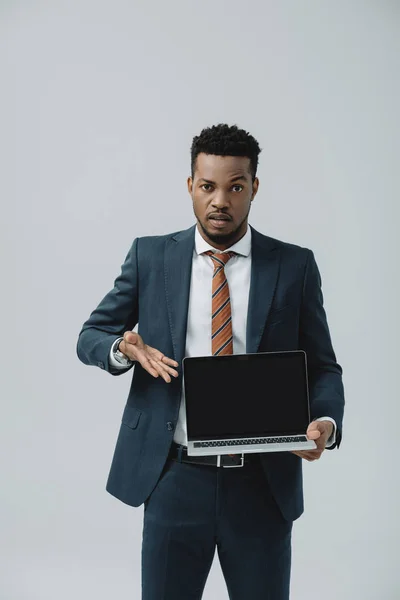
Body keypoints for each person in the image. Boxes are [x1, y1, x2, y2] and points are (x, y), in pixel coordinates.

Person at [76, 123, 345, 599]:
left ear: (253, 188)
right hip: (174, 478)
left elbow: (323, 366)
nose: (220, 200)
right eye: (208, 186)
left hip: (262, 484)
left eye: (235, 186)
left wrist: (324, 420)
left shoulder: (294, 265)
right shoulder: (151, 256)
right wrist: (123, 349)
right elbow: (90, 335)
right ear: (190, 187)